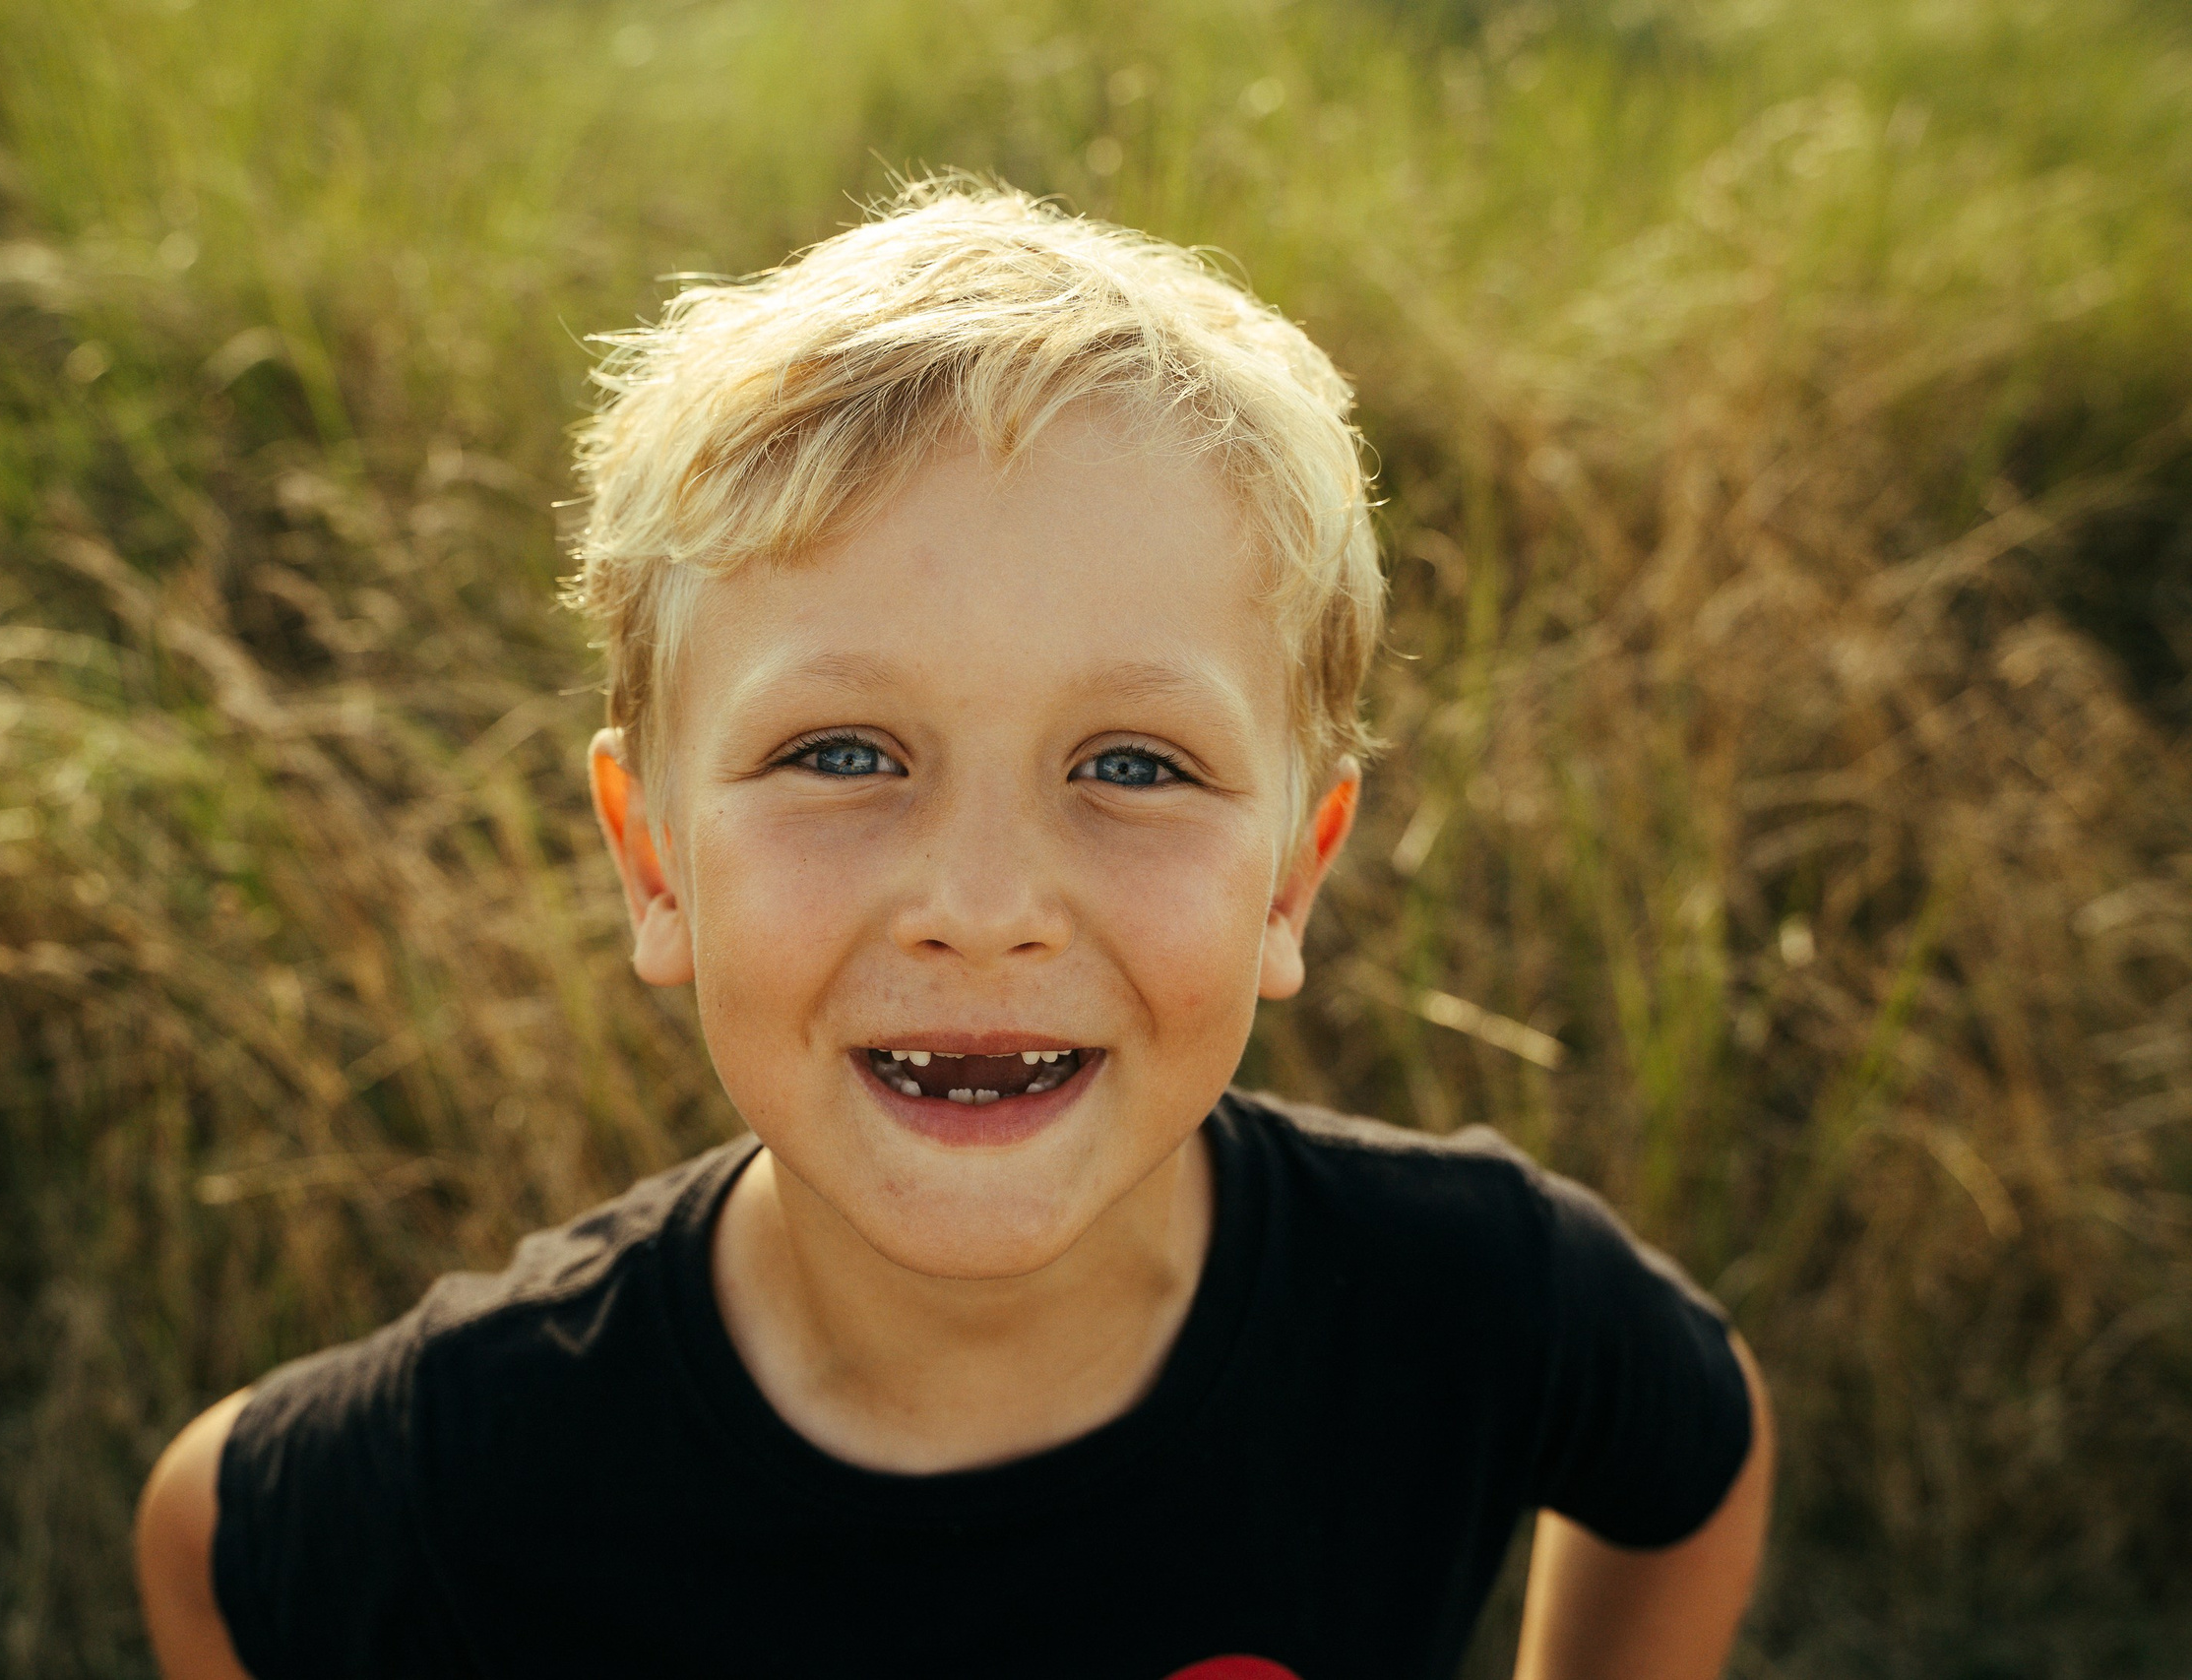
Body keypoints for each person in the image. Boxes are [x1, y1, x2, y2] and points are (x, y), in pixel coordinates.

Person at [135, 180, 1773, 1680]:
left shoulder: (1463, 1304)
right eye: (844, 755)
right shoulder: (482, 1457)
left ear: (1292, 879)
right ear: (655, 863)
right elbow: (208, 1540)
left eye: (1134, 766)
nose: (982, 912)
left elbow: (1696, 1447)